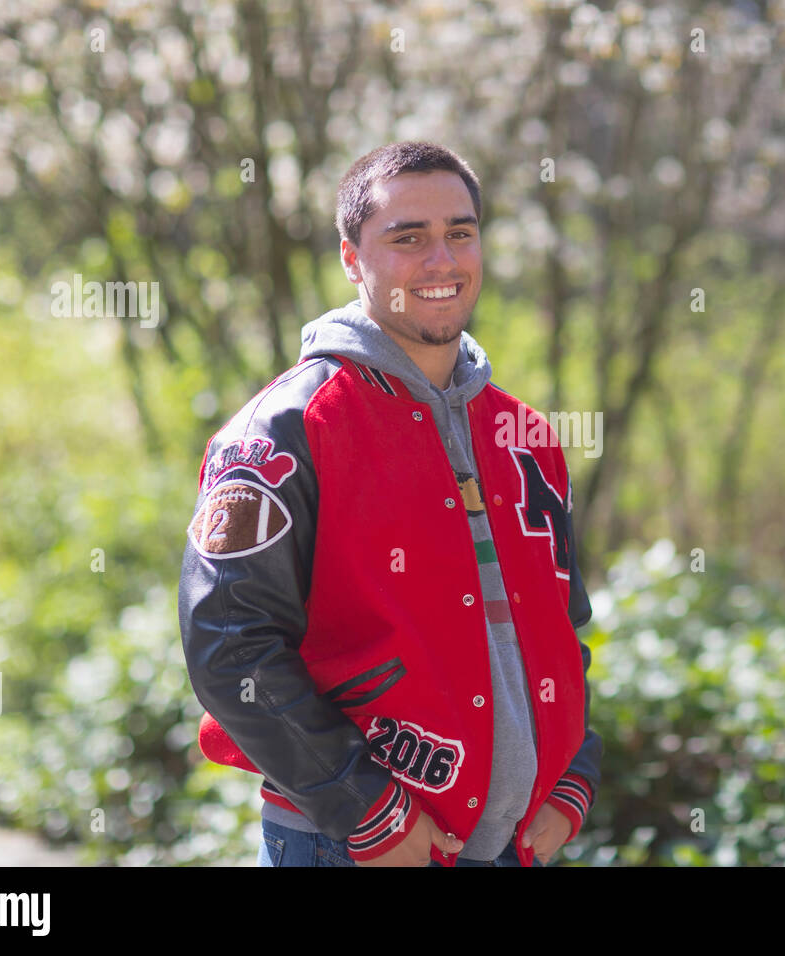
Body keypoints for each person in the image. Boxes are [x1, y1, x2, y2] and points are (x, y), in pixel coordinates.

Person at [178, 141, 602, 867]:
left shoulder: (526, 433)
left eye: (460, 233)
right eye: (408, 238)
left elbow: (565, 630)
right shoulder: (282, 431)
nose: (442, 260)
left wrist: (575, 779)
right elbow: (229, 646)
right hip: (357, 844)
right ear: (351, 257)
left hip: (518, 846)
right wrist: (366, 810)